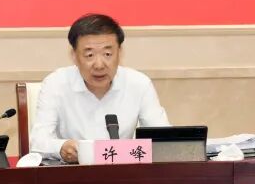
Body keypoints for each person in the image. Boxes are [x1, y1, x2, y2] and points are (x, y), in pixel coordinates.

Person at [30, 13, 170, 163]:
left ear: (120, 53)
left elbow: (165, 140)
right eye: (89, 55)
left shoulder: (139, 84)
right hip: (73, 172)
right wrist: (61, 147)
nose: (99, 65)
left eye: (107, 54)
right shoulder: (56, 84)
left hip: (123, 173)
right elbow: (38, 142)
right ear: (74, 55)